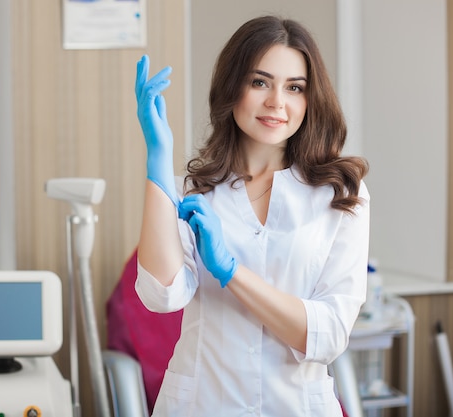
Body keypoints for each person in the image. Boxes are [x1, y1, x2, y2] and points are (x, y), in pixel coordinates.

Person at [134, 15, 370, 416]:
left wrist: (231, 272)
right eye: (260, 82)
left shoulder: (339, 194)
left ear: (310, 100)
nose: (277, 102)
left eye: (294, 87)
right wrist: (157, 161)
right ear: (232, 88)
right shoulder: (190, 191)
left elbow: (328, 333)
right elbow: (161, 295)